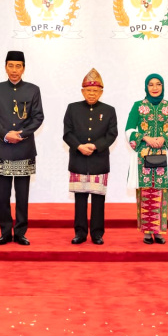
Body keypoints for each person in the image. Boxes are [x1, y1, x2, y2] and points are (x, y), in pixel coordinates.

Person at [0, 50, 44, 245]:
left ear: (24, 68)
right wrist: (5, 134)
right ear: (5, 67)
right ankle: (5, 232)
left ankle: (20, 233)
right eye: (10, 65)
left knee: (22, 195)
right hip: (2, 149)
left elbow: (38, 117)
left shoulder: (33, 90)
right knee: (3, 195)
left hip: (24, 148)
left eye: (18, 66)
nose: (14, 70)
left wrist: (21, 134)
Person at [125, 73, 168, 244]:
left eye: (158, 84)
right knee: (145, 193)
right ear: (146, 87)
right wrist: (145, 138)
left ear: (163, 86)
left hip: (163, 157)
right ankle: (146, 231)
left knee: (160, 193)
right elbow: (129, 129)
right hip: (143, 157)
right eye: (151, 85)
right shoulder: (138, 106)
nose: (155, 88)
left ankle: (158, 232)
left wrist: (164, 138)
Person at [62, 68, 118, 245]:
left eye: (95, 91)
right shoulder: (73, 108)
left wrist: (96, 146)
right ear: (82, 91)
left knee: (98, 200)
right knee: (79, 199)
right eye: (88, 90)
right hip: (78, 159)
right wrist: (79, 146)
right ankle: (79, 233)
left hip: (98, 160)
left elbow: (112, 134)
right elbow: (67, 133)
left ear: (101, 92)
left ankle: (97, 234)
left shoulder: (109, 110)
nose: (91, 93)